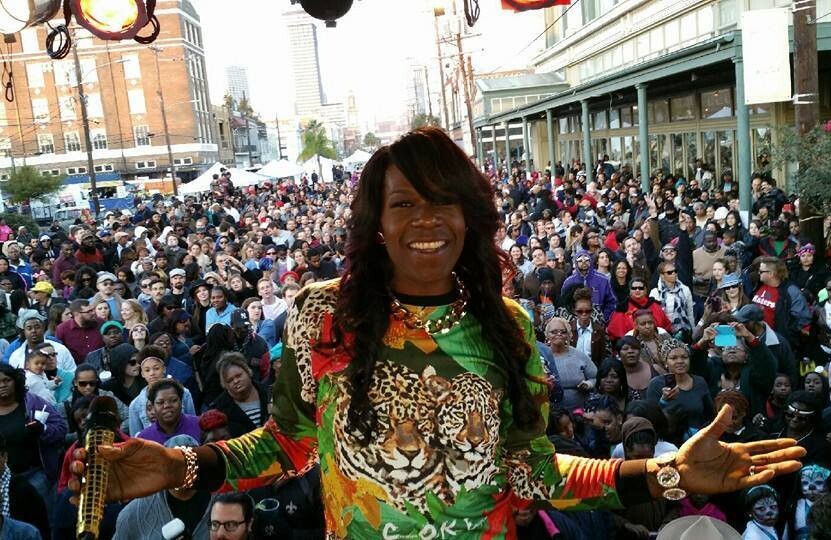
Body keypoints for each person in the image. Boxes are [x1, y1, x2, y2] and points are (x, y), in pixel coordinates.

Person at [69, 127, 805, 539]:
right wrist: (183, 468)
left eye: (444, 202)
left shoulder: (510, 328)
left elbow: (533, 474)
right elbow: (286, 444)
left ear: (470, 217)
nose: (425, 219)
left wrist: (663, 473)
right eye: (403, 203)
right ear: (376, 223)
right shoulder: (321, 316)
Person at [113, 435, 212, 539]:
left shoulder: (220, 501)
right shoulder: (134, 513)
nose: (183, 468)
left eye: (189, 461)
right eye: (175, 462)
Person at [209, 353, 269, 438]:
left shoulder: (269, 393)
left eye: (238, 376)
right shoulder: (219, 409)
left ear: (248, 372)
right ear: (224, 384)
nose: (236, 381)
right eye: (230, 380)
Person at [137, 380, 202, 445]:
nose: (167, 406)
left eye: (173, 400)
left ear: (181, 402)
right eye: (160, 402)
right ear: (153, 406)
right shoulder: (144, 439)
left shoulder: (200, 425)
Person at [56, 299, 104, 365]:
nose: (93, 313)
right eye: (89, 311)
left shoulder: (101, 323)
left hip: (102, 367)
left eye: (93, 310)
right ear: (77, 314)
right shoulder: (62, 329)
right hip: (77, 369)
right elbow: (60, 352)